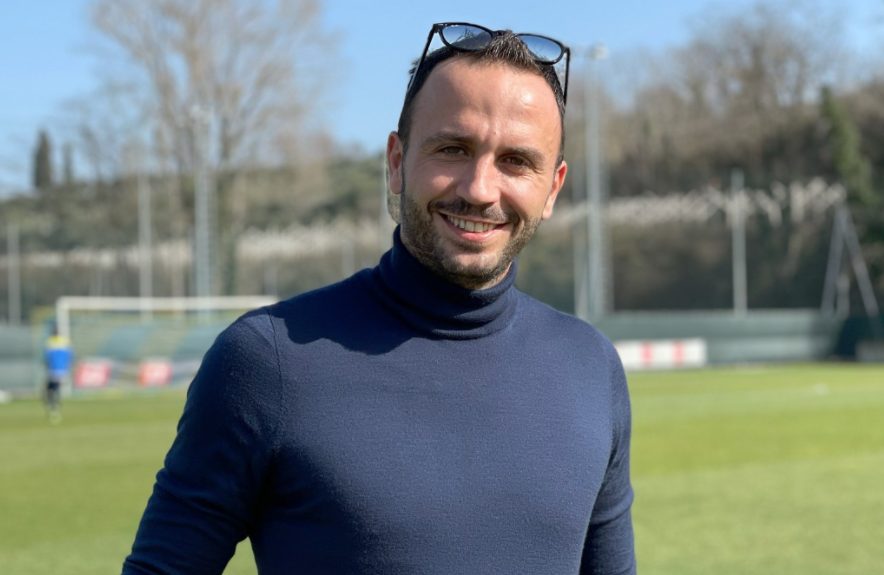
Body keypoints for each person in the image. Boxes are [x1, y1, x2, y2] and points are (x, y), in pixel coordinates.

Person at [123, 22, 635, 574]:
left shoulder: (591, 367)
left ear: (552, 188)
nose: (480, 189)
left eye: (516, 161)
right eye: (453, 149)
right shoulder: (267, 362)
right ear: (396, 162)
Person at [44, 325, 72, 423]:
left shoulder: (50, 342)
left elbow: (47, 357)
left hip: (54, 369)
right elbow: (70, 355)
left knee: (51, 388)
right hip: (63, 369)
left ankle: (54, 406)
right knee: (55, 387)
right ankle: (55, 405)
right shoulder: (65, 341)